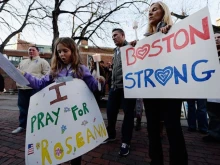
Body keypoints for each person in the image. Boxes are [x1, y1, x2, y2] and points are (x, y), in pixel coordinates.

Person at [19, 37, 105, 165]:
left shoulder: (81, 69)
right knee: (60, 140)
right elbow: (40, 84)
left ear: (73, 51)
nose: (62, 54)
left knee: (76, 145)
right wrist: (24, 74)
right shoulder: (54, 71)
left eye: (65, 51)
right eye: (59, 52)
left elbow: (93, 87)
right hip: (59, 115)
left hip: (76, 115)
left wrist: (100, 82)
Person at [142, 2, 188, 165]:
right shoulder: (145, 39)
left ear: (164, 12)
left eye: (154, 9)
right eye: (149, 10)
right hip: (151, 89)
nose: (150, 13)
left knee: (173, 127)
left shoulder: (175, 32)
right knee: (152, 129)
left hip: (170, 89)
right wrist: (134, 50)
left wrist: (169, 35)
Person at [102, 28, 136, 156]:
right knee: (110, 112)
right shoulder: (115, 51)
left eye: (116, 35)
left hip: (128, 88)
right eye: (112, 36)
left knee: (128, 115)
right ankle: (111, 135)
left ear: (123, 35)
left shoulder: (131, 47)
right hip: (114, 88)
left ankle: (126, 141)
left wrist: (136, 46)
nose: (113, 38)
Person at [12, 46, 50, 134]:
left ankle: (35, 127)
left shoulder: (43, 62)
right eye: (29, 50)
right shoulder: (23, 62)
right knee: (22, 108)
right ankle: (22, 126)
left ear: (38, 52)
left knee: (35, 108)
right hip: (22, 88)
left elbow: (47, 75)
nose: (31, 51)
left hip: (34, 89)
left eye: (33, 50)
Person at [203, 33, 220, 142]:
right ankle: (213, 134)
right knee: (213, 113)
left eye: (219, 38)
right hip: (212, 90)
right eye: (214, 38)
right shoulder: (208, 55)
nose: (216, 39)